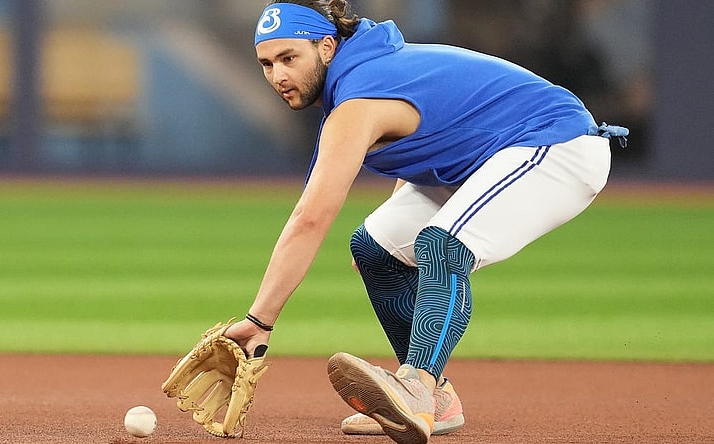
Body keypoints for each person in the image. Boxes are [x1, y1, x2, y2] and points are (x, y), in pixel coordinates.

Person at [223, 1, 628, 443]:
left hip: (557, 143)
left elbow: (311, 218)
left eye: (288, 58)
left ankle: (418, 384)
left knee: (442, 245)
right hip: (487, 156)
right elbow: (435, 130)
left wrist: (259, 321)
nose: (277, 76)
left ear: (325, 46)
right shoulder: (366, 74)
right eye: (266, 63)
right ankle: (437, 402)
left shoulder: (357, 99)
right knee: (375, 248)